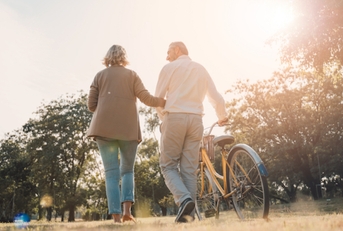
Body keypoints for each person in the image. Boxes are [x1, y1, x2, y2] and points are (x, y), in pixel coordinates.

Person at [86, 45, 165, 224]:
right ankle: (127, 213)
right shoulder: (132, 75)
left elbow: (91, 105)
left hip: (104, 130)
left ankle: (115, 217)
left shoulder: (99, 76)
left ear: (107, 57)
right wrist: (164, 101)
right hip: (128, 131)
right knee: (127, 171)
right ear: (124, 57)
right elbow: (147, 98)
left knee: (111, 173)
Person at [155, 41, 228, 223]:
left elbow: (158, 99)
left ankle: (184, 199)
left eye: (168, 52)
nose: (166, 56)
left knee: (168, 165)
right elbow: (215, 96)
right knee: (189, 169)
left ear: (177, 49)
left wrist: (164, 119)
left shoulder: (169, 68)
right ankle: (188, 217)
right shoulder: (200, 69)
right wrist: (222, 115)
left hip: (175, 118)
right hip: (196, 120)